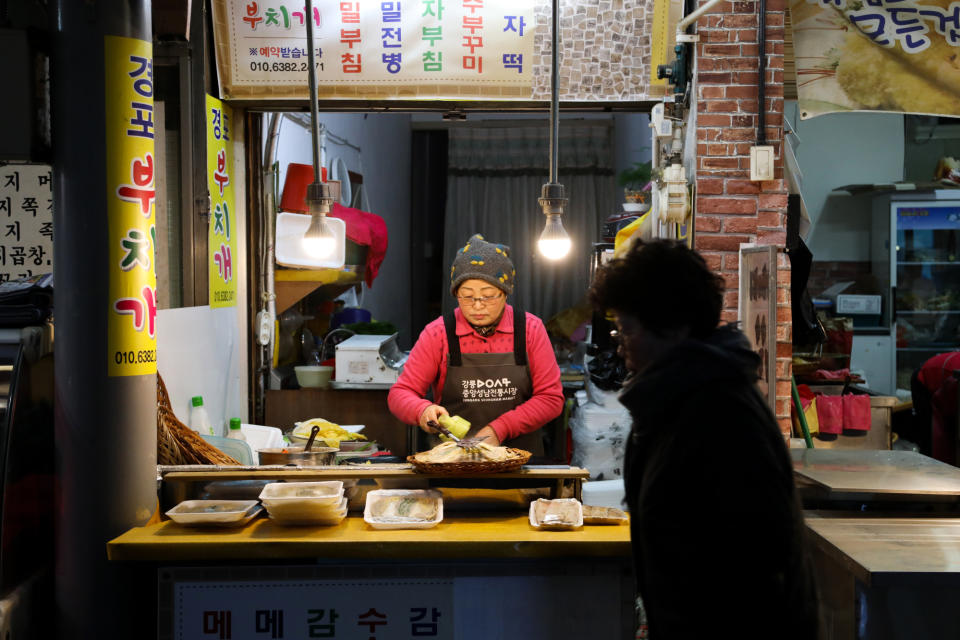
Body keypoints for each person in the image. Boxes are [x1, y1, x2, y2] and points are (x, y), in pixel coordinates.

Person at [588, 240, 819, 639]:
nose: (619, 341)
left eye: (627, 328)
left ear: (672, 326)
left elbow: (747, 575)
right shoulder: (680, 396)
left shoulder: (716, 413)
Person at [388, 234, 564, 454]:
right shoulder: (438, 333)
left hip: (520, 462)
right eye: (467, 296)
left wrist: (500, 429)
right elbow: (400, 393)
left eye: (488, 296)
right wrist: (422, 409)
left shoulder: (530, 329)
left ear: (505, 293)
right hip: (453, 462)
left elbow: (551, 398)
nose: (478, 306)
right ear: (456, 294)